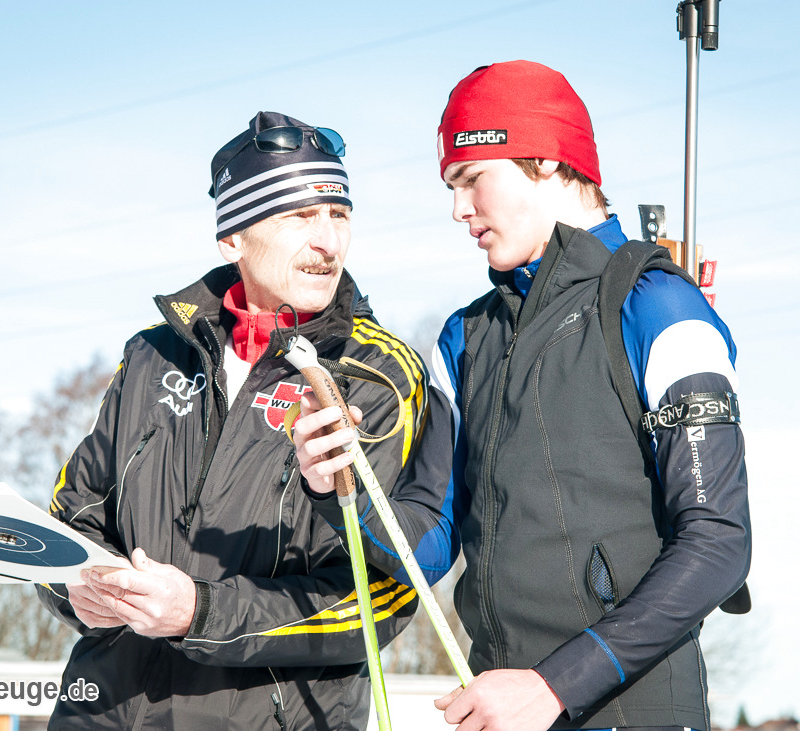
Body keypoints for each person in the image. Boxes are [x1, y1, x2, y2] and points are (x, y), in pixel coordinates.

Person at [293, 61, 752, 731]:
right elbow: (429, 541)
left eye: (471, 178)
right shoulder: (465, 337)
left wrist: (553, 686)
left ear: (545, 159)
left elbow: (717, 543)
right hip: (500, 708)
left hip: (634, 709)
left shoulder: (659, 308)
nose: (457, 208)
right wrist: (342, 488)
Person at [36, 111, 434, 730]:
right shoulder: (151, 353)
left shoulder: (378, 374)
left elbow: (380, 597)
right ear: (233, 238)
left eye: (339, 215)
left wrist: (199, 613)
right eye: (299, 216)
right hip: (104, 711)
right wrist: (76, 586)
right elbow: (72, 514)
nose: (328, 241)